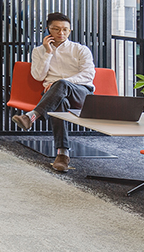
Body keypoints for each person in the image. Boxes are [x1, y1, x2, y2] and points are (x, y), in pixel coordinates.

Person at [10, 12, 95, 172]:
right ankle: (62, 153)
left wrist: (61, 82)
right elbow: (38, 76)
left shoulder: (80, 50)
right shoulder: (39, 51)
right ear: (48, 30)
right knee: (60, 101)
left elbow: (88, 75)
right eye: (56, 29)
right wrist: (48, 52)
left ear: (70, 31)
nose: (61, 33)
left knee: (62, 84)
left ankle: (31, 116)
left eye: (65, 30)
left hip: (81, 93)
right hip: (54, 96)